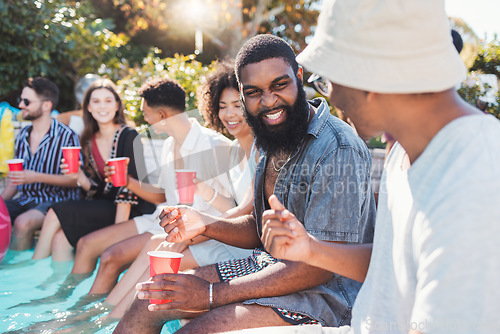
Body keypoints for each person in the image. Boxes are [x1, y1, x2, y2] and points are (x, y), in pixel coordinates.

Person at [259, 0, 500, 333]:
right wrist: (310, 248)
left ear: (369, 76)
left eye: (328, 81)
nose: (332, 98)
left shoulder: (475, 180)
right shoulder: (405, 151)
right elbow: (393, 265)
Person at [114, 34, 376, 333]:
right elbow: (257, 227)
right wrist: (203, 224)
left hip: (328, 297)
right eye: (254, 92)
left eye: (279, 85)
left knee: (195, 330)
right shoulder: (273, 134)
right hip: (268, 266)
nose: (268, 101)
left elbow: (319, 266)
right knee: (153, 296)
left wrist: (211, 294)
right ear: (243, 92)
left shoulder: (337, 148)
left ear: (298, 77)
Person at [32, 78, 156, 261]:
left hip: (132, 210)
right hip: (104, 206)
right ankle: (56, 286)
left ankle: (34, 268)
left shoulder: (129, 136)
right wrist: (79, 177)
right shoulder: (88, 140)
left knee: (54, 211)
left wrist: (116, 234)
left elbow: (129, 188)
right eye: (96, 101)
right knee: (60, 240)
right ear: (88, 107)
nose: (102, 107)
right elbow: (95, 190)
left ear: (116, 106)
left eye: (108, 100)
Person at [1, 77, 80, 250]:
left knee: (23, 223)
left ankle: (20, 270)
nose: (21, 105)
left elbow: (75, 180)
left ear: (46, 105)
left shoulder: (67, 136)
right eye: (20, 100)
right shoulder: (23, 135)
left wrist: (35, 176)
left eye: (26, 101)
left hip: (56, 200)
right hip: (25, 199)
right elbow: (16, 179)